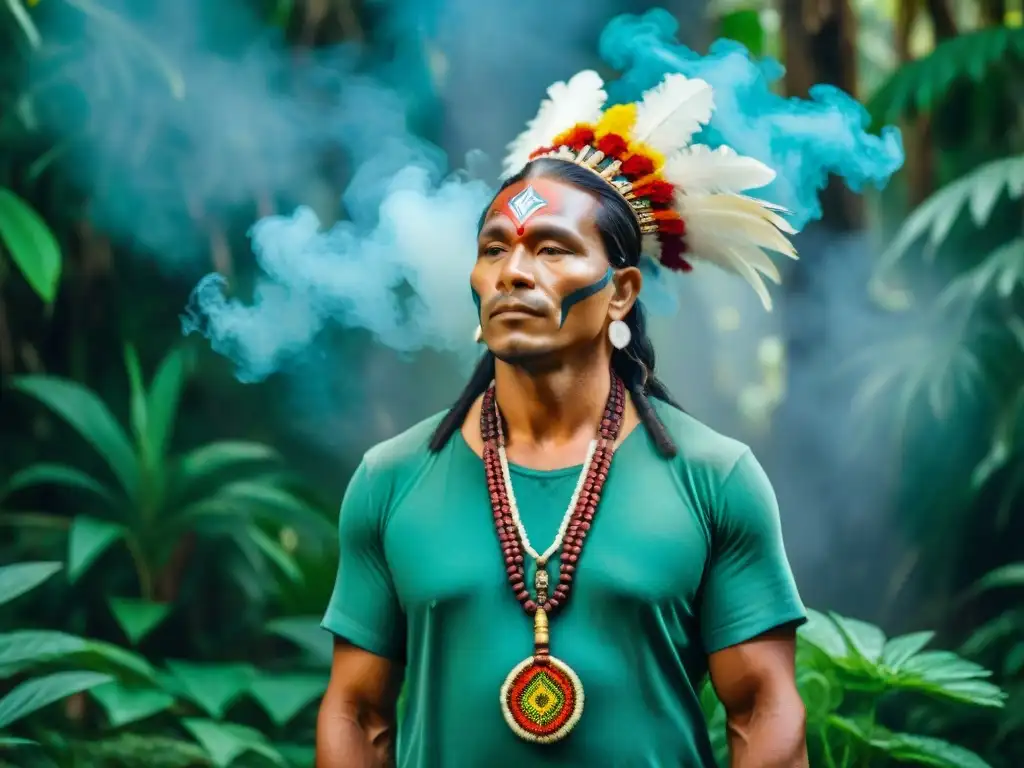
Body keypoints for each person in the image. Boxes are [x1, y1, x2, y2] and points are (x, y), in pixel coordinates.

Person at [316, 70, 808, 767]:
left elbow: (765, 708)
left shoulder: (714, 478)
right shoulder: (390, 480)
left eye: (551, 249)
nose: (514, 272)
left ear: (621, 293)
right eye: (495, 249)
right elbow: (356, 711)